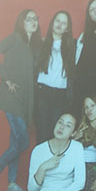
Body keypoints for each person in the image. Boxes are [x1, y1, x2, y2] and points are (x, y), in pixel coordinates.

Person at [0, 9, 41, 191]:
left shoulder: (33, 46)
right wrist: (6, 78)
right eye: (29, 19)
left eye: (35, 19)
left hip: (25, 102)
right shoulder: (15, 38)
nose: (33, 22)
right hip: (12, 98)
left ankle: (12, 184)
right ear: (21, 22)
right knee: (23, 141)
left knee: (16, 141)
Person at [16, 113, 90, 191]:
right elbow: (32, 189)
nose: (61, 127)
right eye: (60, 122)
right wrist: (43, 168)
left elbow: (79, 182)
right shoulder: (39, 150)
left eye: (68, 125)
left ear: (73, 133)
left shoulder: (77, 147)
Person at [34, 10, 76, 143]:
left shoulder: (72, 46)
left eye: (64, 23)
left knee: (56, 133)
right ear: (52, 23)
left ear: (67, 29)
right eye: (57, 20)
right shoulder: (40, 43)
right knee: (42, 131)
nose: (59, 24)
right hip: (42, 92)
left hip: (60, 94)